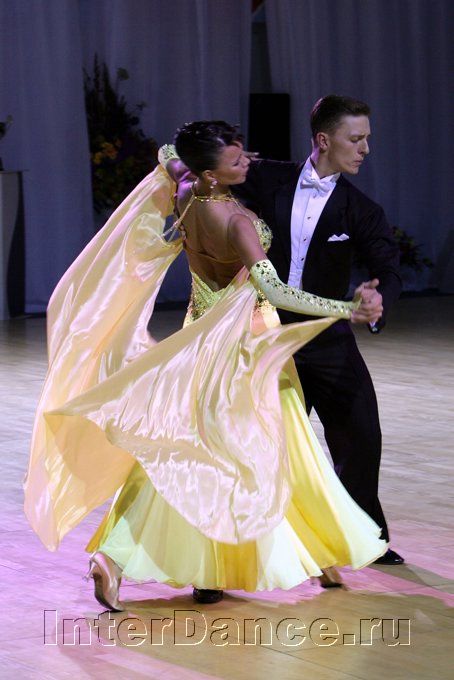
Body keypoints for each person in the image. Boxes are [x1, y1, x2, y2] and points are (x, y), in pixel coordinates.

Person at [24, 120, 387, 612]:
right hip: (246, 346)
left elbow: (167, 152)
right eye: (236, 160)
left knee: (192, 453)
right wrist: (346, 308)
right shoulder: (237, 223)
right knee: (273, 450)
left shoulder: (186, 190)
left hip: (198, 337)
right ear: (211, 173)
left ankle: (307, 557)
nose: (247, 162)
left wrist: (202, 154)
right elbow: (277, 292)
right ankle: (312, 552)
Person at [234, 95, 403, 565]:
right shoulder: (268, 177)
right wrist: (220, 160)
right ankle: (233, 549)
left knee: (361, 432)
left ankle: (365, 537)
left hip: (325, 334)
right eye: (356, 138)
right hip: (266, 331)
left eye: (367, 138)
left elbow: (388, 269)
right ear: (324, 140)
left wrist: (378, 300)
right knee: (257, 442)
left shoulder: (361, 209)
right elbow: (193, 165)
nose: (366, 149)